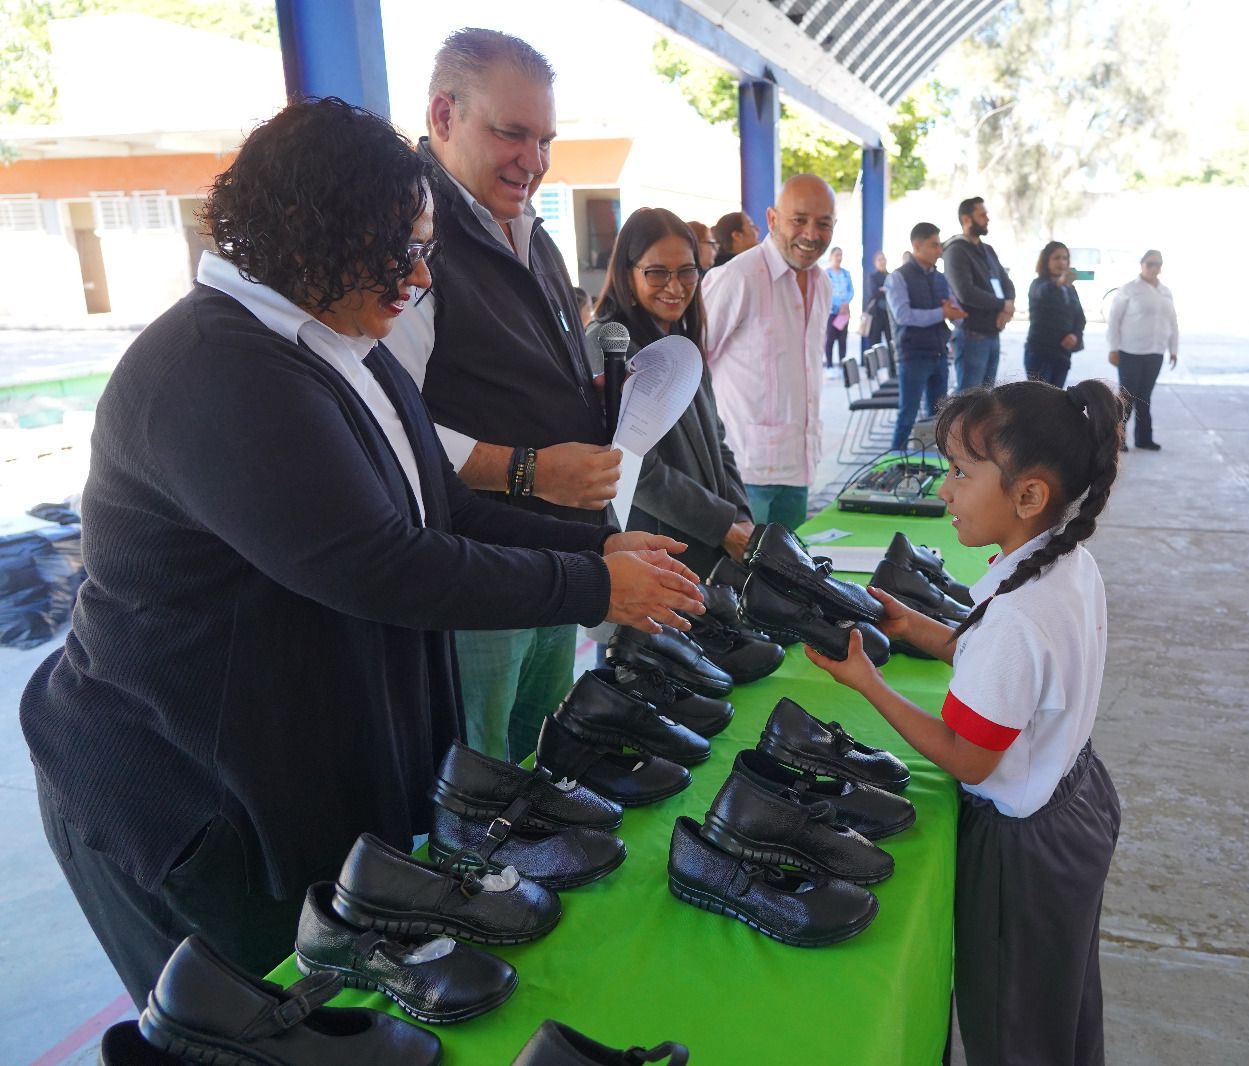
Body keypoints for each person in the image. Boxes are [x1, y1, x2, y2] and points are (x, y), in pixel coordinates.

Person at [19, 98, 702, 1005]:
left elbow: (442, 507)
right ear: (316, 236)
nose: (420, 280)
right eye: (405, 252)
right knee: (262, 1022)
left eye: (425, 251)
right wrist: (590, 584)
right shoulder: (216, 370)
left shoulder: (344, 342)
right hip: (186, 801)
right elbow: (378, 565)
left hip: (287, 784)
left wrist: (605, 544)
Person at [807, 379, 1125, 1066]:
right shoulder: (1061, 561)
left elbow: (967, 756)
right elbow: (998, 666)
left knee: (1011, 1024)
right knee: (1058, 1005)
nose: (944, 492)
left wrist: (870, 684)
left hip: (1025, 850)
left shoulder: (1017, 617)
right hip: (1078, 800)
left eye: (959, 472)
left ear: (1028, 495)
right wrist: (914, 624)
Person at [386, 29, 624, 765]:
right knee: (479, 767)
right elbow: (390, 420)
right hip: (477, 568)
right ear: (443, 117)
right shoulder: (411, 237)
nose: (534, 159)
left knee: (539, 744)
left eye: (545, 139)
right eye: (511, 133)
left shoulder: (532, 232)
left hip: (554, 549)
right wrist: (527, 468)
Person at [585, 207, 754, 576]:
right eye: (657, 272)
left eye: (686, 271)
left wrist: (741, 518)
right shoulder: (609, 342)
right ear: (627, 275)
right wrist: (724, 527)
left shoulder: (679, 336)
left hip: (706, 552)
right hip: (651, 557)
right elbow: (634, 470)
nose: (675, 287)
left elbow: (719, 442)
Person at [701, 173, 835, 531]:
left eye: (823, 224)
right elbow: (692, 364)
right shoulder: (739, 277)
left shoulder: (822, 284)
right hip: (745, 473)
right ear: (773, 219)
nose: (811, 234)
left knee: (788, 579)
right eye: (799, 220)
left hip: (800, 466)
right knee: (743, 581)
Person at [884, 222, 967, 451]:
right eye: (934, 245)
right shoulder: (897, 278)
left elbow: (956, 314)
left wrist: (957, 315)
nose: (940, 251)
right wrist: (943, 312)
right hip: (913, 357)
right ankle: (893, 465)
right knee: (907, 417)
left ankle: (933, 467)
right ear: (917, 245)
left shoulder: (940, 278)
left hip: (939, 355)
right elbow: (904, 316)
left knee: (939, 419)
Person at [1106, 250, 1178, 451]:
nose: (1154, 267)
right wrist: (1113, 348)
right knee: (1127, 397)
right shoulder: (1129, 289)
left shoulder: (1165, 292)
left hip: (1156, 352)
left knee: (1145, 396)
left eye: (1157, 264)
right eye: (1150, 263)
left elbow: (1172, 321)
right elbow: (1114, 320)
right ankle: (1117, 439)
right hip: (1130, 351)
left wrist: (1173, 349)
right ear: (1142, 264)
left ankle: (1144, 439)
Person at [942, 196, 1017, 391]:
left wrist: (1007, 306)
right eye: (982, 215)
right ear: (967, 219)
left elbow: (1006, 281)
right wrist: (1001, 305)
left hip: (993, 333)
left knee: (987, 399)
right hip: (971, 336)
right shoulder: (955, 251)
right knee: (969, 400)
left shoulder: (987, 250)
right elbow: (965, 292)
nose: (987, 218)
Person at [1025, 241, 1086, 388]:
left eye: (1065, 258)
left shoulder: (1070, 289)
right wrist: (1059, 282)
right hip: (1041, 354)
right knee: (1040, 401)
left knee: (1057, 403)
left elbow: (1080, 318)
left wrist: (1074, 335)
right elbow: (1043, 293)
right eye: (1056, 258)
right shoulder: (1038, 284)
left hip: (1063, 354)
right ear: (1046, 261)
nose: (1061, 262)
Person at [824, 246, 854, 369]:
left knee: (843, 340)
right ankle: (830, 366)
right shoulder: (826, 274)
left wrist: (845, 303)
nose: (839, 258)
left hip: (844, 313)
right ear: (831, 257)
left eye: (840, 255)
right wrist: (838, 304)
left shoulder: (846, 273)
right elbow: (827, 292)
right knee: (830, 339)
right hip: (832, 312)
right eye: (836, 255)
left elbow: (851, 290)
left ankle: (843, 367)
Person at [860, 249, 891, 358]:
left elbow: (894, 292)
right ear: (875, 263)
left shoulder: (891, 276)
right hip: (876, 315)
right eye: (879, 260)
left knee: (890, 342)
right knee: (874, 343)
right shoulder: (872, 277)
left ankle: (892, 370)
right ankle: (872, 371)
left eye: (883, 259)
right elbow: (874, 292)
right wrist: (885, 290)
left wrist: (883, 289)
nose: (882, 262)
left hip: (888, 315)